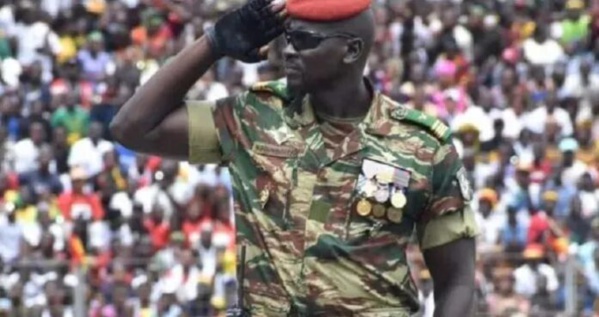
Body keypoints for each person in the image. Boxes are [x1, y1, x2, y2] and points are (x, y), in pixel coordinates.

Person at [110, 0, 478, 315]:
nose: (288, 51)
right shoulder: (253, 117)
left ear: (351, 51)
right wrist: (214, 42)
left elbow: (457, 281)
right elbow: (132, 127)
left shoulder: (423, 145)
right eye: (287, 37)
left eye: (304, 41)